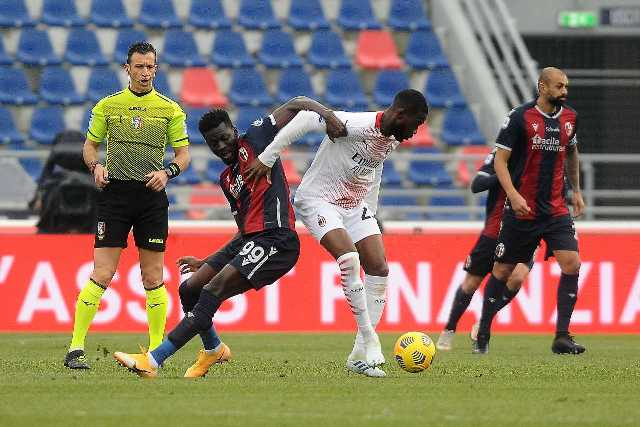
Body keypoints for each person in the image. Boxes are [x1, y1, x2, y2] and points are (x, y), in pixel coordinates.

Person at [113, 97, 347, 378]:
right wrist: (208, 260)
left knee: (212, 291)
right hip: (252, 240)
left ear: (234, 131)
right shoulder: (227, 179)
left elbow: (297, 104)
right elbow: (244, 231)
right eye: (214, 144)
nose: (222, 147)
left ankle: (153, 360)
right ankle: (213, 348)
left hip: (278, 240)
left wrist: (328, 115)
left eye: (224, 138)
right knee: (190, 289)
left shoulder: (257, 139)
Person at [241, 89, 429, 377]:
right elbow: (305, 118)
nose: (415, 133)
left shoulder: (390, 140)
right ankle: (370, 339)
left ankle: (357, 357)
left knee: (379, 268)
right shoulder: (357, 124)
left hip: (354, 205)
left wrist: (372, 211)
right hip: (319, 199)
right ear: (400, 115)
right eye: (415, 125)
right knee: (350, 259)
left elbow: (374, 171)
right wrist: (268, 157)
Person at [63, 42, 191, 369]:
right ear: (127, 68)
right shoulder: (107, 106)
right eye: (140, 66)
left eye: (151, 67)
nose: (146, 72)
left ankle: (156, 353)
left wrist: (168, 172)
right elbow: (89, 148)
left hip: (150, 198)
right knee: (103, 273)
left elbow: (183, 155)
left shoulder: (170, 109)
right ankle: (75, 348)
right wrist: (96, 167)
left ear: (156, 69)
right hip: (115, 196)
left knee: (153, 276)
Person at [474, 67, 585, 355]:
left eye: (566, 87)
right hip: (523, 210)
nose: (564, 92)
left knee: (571, 263)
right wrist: (513, 195)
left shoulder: (570, 118)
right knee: (503, 271)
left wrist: (577, 191)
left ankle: (562, 336)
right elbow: (500, 161)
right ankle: (484, 330)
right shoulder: (519, 117)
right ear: (542, 87)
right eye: (559, 86)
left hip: (556, 208)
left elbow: (572, 153)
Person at [436, 149, 536, 351]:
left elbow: (562, 184)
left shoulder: (541, 154)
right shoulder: (501, 154)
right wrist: (506, 176)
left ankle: (483, 323)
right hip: (494, 231)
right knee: (472, 283)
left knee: (517, 277)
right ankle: (450, 327)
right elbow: (477, 185)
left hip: (525, 231)